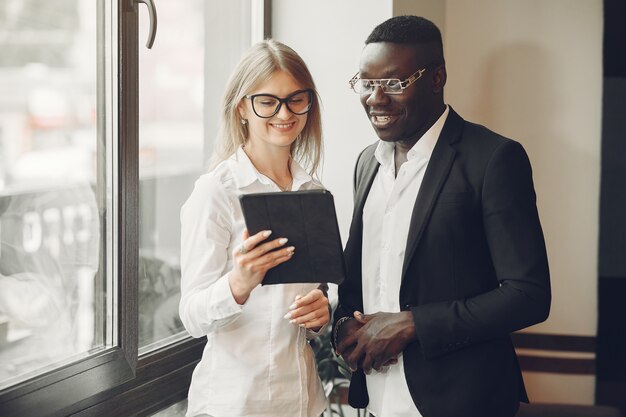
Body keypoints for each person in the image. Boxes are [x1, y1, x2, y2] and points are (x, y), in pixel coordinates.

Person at [333, 15, 551, 417]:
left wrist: (413, 324)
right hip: (378, 397)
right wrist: (343, 321)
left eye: (394, 83)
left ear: (437, 79)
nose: (376, 98)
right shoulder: (367, 163)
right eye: (366, 82)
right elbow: (360, 274)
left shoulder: (494, 159)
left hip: (462, 399)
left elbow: (529, 296)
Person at [179, 39, 330, 417]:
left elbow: (312, 301)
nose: (285, 113)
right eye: (268, 101)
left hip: (301, 401)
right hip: (233, 403)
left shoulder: (315, 192)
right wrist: (239, 284)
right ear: (243, 107)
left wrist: (321, 312)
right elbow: (192, 316)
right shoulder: (217, 191)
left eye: (297, 99)